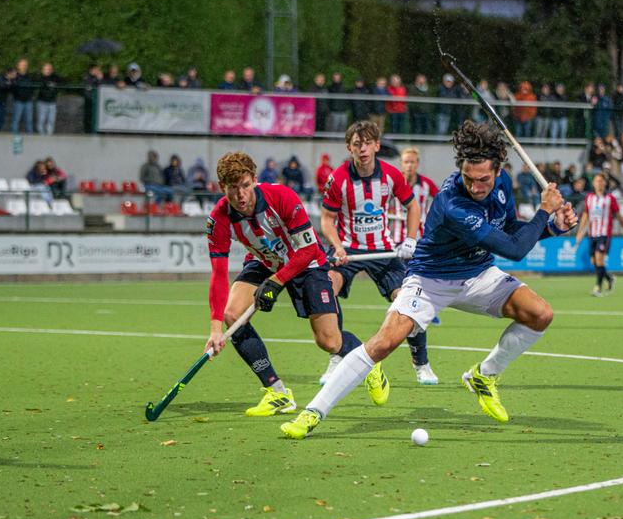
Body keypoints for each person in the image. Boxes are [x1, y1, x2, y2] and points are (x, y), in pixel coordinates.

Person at [280, 121, 577, 439]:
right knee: (385, 342)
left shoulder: (502, 183)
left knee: (540, 314)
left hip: (478, 274)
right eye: (469, 178)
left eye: (484, 179)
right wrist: (544, 212)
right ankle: (313, 412)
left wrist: (551, 227)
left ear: (498, 169)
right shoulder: (453, 202)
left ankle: (484, 375)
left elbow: (507, 231)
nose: (476, 187)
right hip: (431, 278)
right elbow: (515, 251)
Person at [205, 151, 362, 416]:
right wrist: (215, 327)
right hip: (266, 261)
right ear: (223, 188)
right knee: (233, 314)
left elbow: (308, 250)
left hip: (307, 261)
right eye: (233, 189)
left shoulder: (282, 197)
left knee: (329, 341)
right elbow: (219, 275)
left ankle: (365, 359)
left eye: (245, 186)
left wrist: (276, 283)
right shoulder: (219, 219)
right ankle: (277, 393)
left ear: (254, 180)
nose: (241, 196)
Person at [319, 120, 437, 386]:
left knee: (408, 299)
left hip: (383, 248)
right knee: (327, 288)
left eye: (367, 143)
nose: (363, 149)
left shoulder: (391, 175)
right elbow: (327, 219)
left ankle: (421, 363)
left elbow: (413, 207)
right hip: (347, 247)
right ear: (349, 147)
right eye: (357, 144)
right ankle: (338, 355)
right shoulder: (337, 178)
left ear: (377, 145)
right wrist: (337, 247)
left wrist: (409, 239)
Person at [575, 173, 623, 297]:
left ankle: (598, 287)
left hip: (604, 234)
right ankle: (609, 278)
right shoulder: (589, 198)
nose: (599, 183)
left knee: (599, 258)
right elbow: (586, 215)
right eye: (596, 181)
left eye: (601, 181)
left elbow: (618, 215)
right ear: (593, 183)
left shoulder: (610, 198)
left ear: (605, 183)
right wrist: (580, 232)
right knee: (594, 261)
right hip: (592, 233)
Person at [35, 62, 60, 135]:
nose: (48, 70)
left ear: (52, 70)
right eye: (46, 69)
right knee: (41, 120)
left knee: (51, 121)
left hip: (52, 102)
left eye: (49, 69)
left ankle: (49, 136)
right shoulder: (39, 77)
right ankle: (42, 136)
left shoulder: (55, 77)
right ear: (43, 70)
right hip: (42, 102)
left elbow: (63, 82)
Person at [11, 58, 34, 134]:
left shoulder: (30, 76)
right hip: (18, 101)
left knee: (29, 120)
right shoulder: (14, 75)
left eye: (25, 65)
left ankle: (30, 138)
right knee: (16, 120)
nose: (23, 66)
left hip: (28, 101)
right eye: (22, 65)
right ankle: (14, 138)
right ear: (18, 66)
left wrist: (31, 95)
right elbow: (11, 87)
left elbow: (32, 87)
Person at [0, 67, 16, 132]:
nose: (15, 75)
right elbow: (2, 86)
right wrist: (9, 84)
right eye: (14, 74)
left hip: (3, 101)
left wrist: (10, 84)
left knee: (1, 117)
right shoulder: (1, 77)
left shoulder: (12, 81)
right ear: (9, 73)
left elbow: (12, 90)